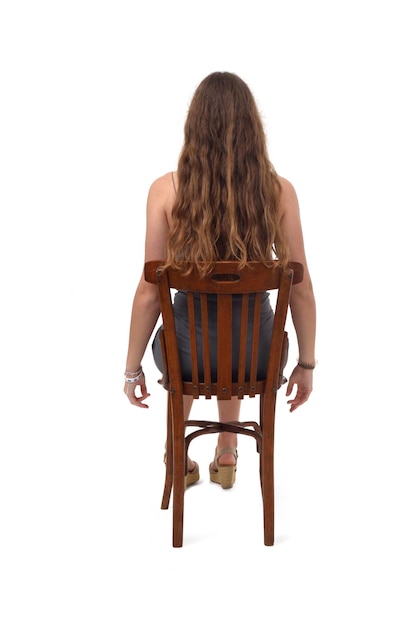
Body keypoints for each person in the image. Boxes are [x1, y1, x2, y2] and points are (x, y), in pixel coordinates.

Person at [124, 71, 316, 489]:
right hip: (258, 356)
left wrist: (132, 369)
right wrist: (306, 363)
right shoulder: (279, 192)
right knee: (236, 335)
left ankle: (179, 449)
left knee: (189, 341)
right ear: (252, 128)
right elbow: (300, 287)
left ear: (195, 127)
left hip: (186, 357)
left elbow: (147, 293)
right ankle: (228, 450)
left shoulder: (165, 192)